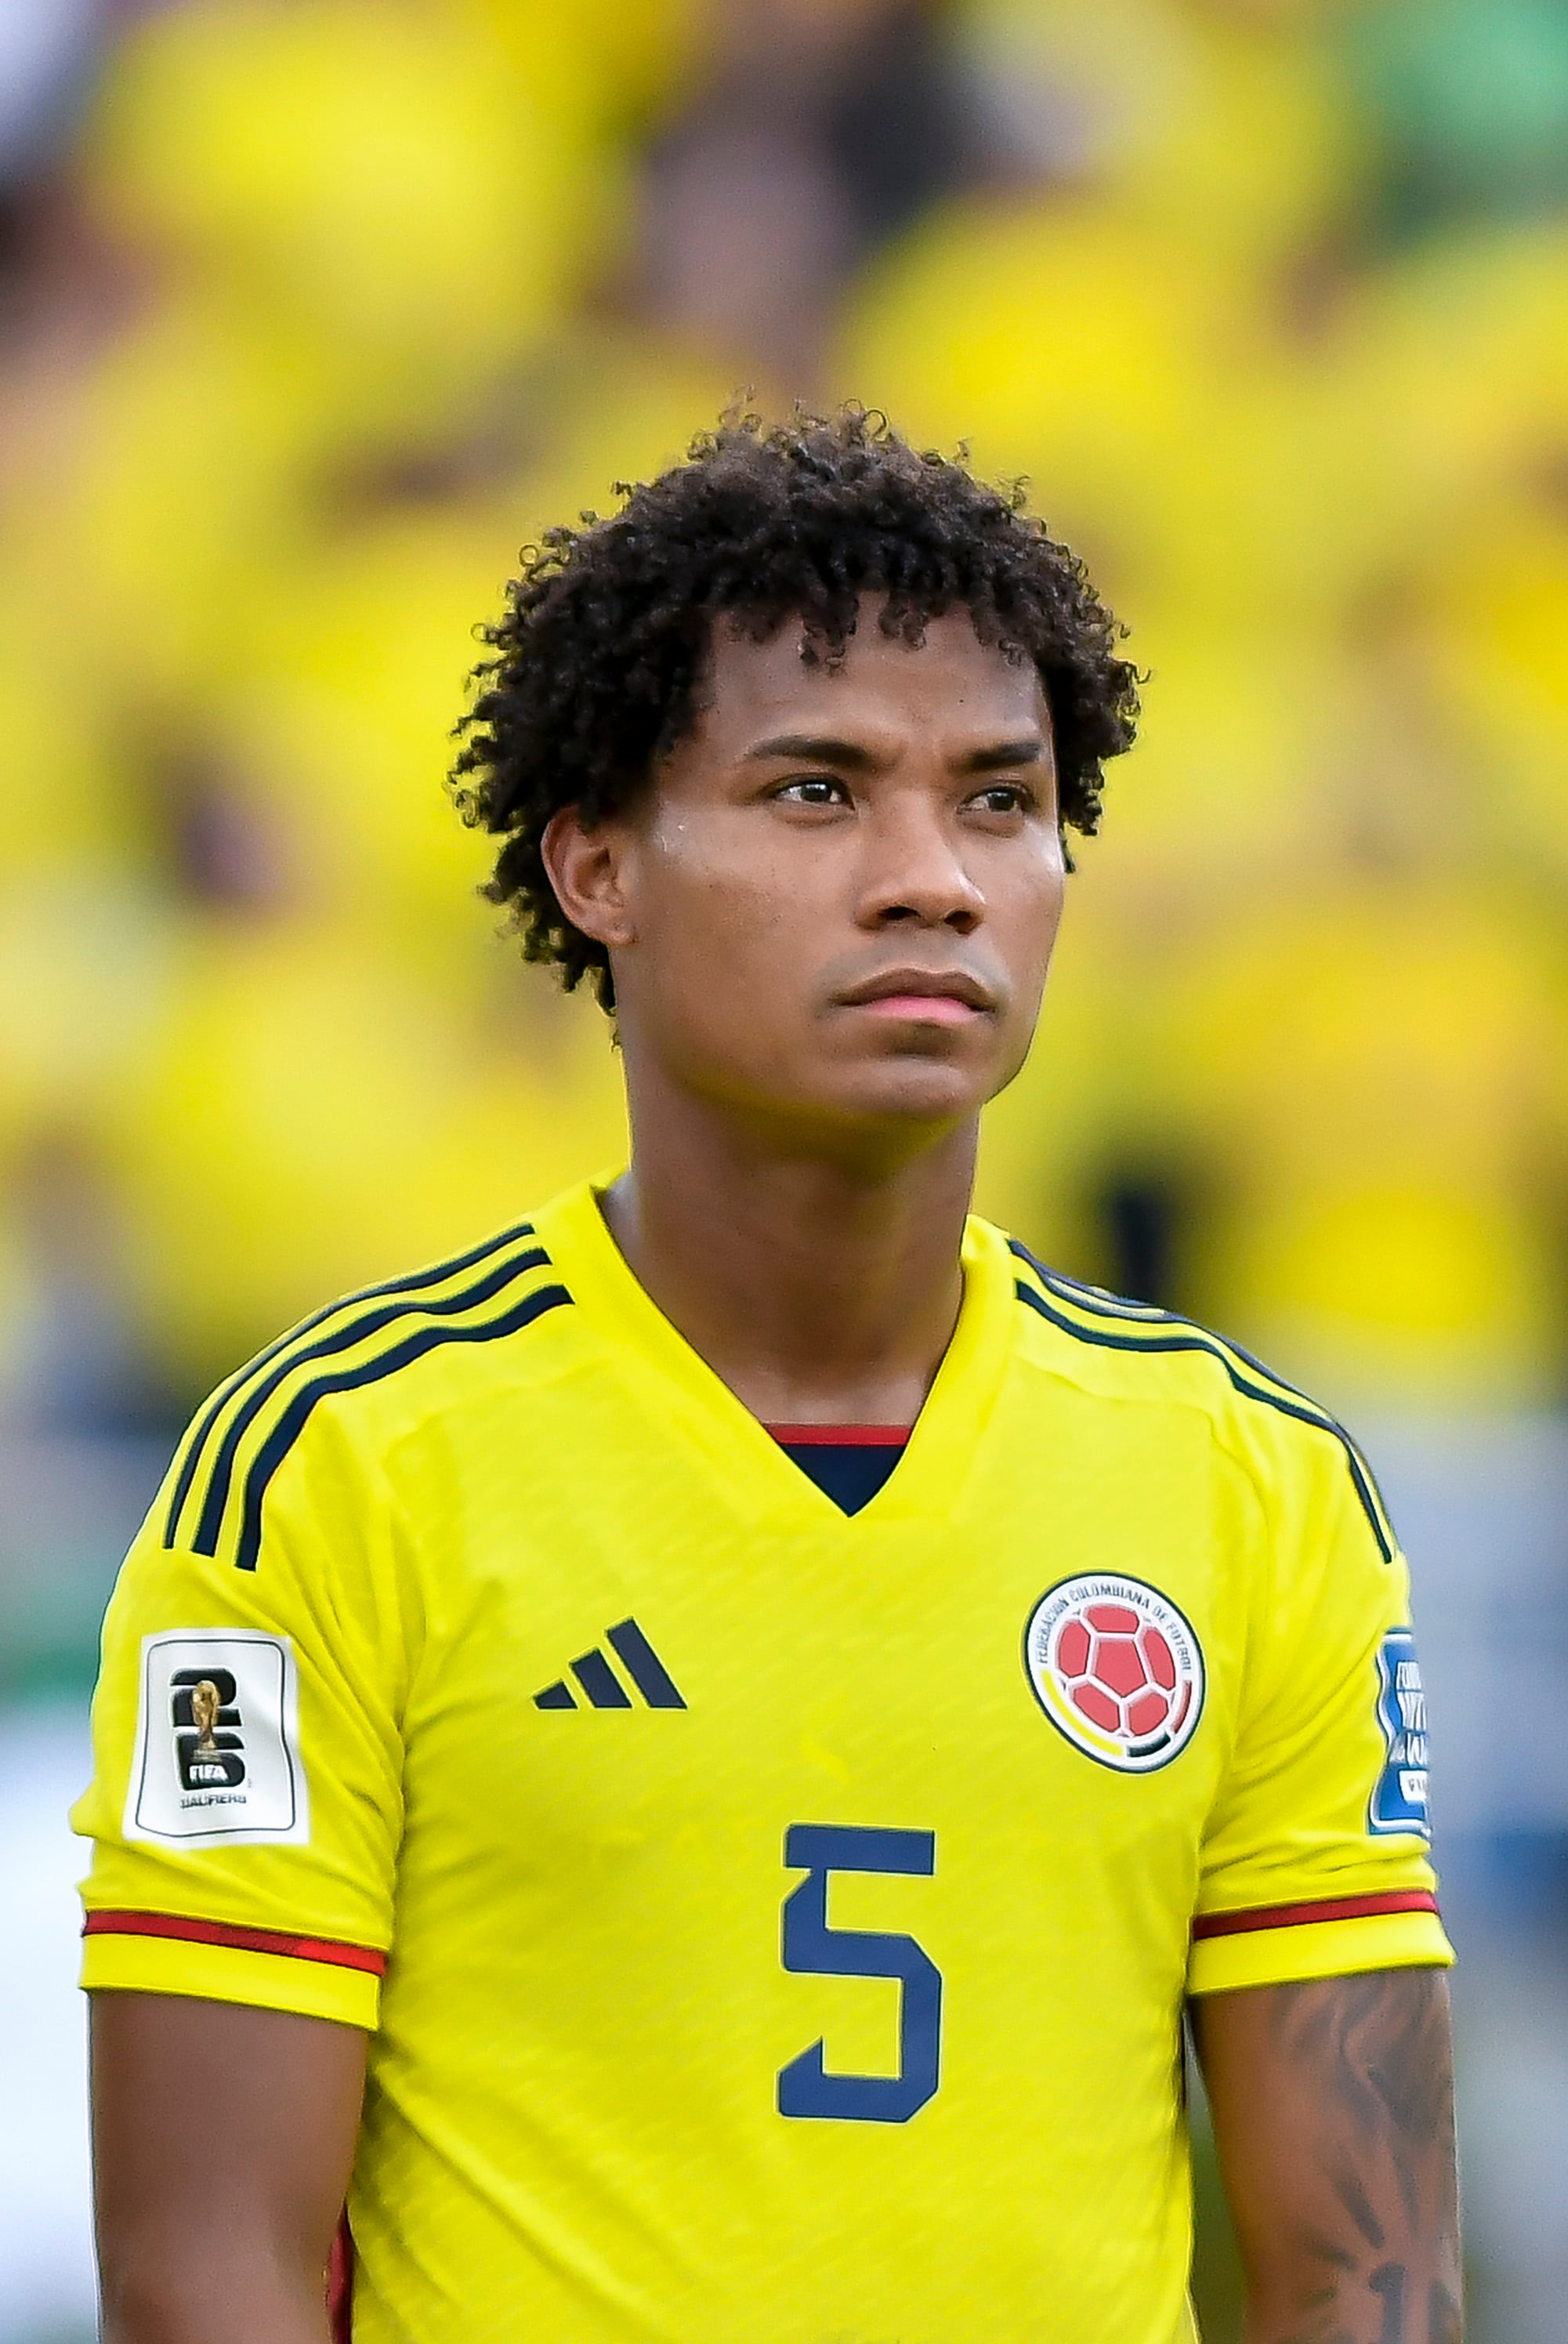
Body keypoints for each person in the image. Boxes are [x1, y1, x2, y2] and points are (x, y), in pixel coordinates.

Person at [74, 409, 1460, 2344]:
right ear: (596, 869)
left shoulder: (1249, 1486)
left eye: (997, 800)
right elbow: (200, 2274)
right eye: (818, 794)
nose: (932, 880)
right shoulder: (338, 1464)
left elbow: (1364, 2278)